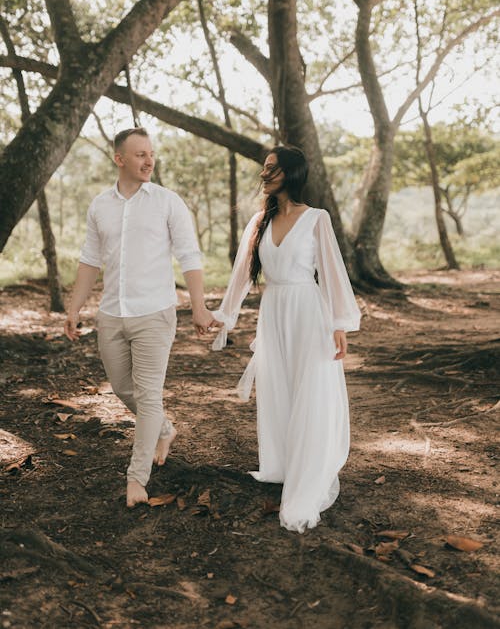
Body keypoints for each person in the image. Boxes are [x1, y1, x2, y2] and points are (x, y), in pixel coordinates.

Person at [212, 146, 361, 533]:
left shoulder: (316, 219)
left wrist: (339, 324)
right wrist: (225, 316)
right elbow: (242, 274)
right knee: (278, 389)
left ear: (291, 173)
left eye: (274, 167)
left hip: (308, 313)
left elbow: (331, 273)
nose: (267, 172)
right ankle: (282, 465)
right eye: (265, 167)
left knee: (309, 390)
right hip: (273, 313)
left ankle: (308, 477)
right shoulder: (259, 221)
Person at [64, 127, 215, 507]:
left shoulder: (168, 202)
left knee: (148, 395)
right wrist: (74, 307)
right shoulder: (100, 205)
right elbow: (89, 261)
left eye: (151, 154)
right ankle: (164, 428)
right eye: (140, 155)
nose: (149, 161)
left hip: (154, 314)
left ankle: (137, 478)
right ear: (119, 159)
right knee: (121, 388)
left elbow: (190, 258)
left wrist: (198, 306)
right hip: (112, 315)